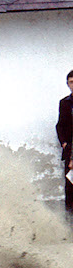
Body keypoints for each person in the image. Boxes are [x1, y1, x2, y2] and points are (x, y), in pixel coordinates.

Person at [57, 69, 73, 216]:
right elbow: (60, 125)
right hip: (70, 150)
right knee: (70, 186)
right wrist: (64, 143)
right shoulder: (64, 103)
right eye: (71, 82)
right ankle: (69, 223)